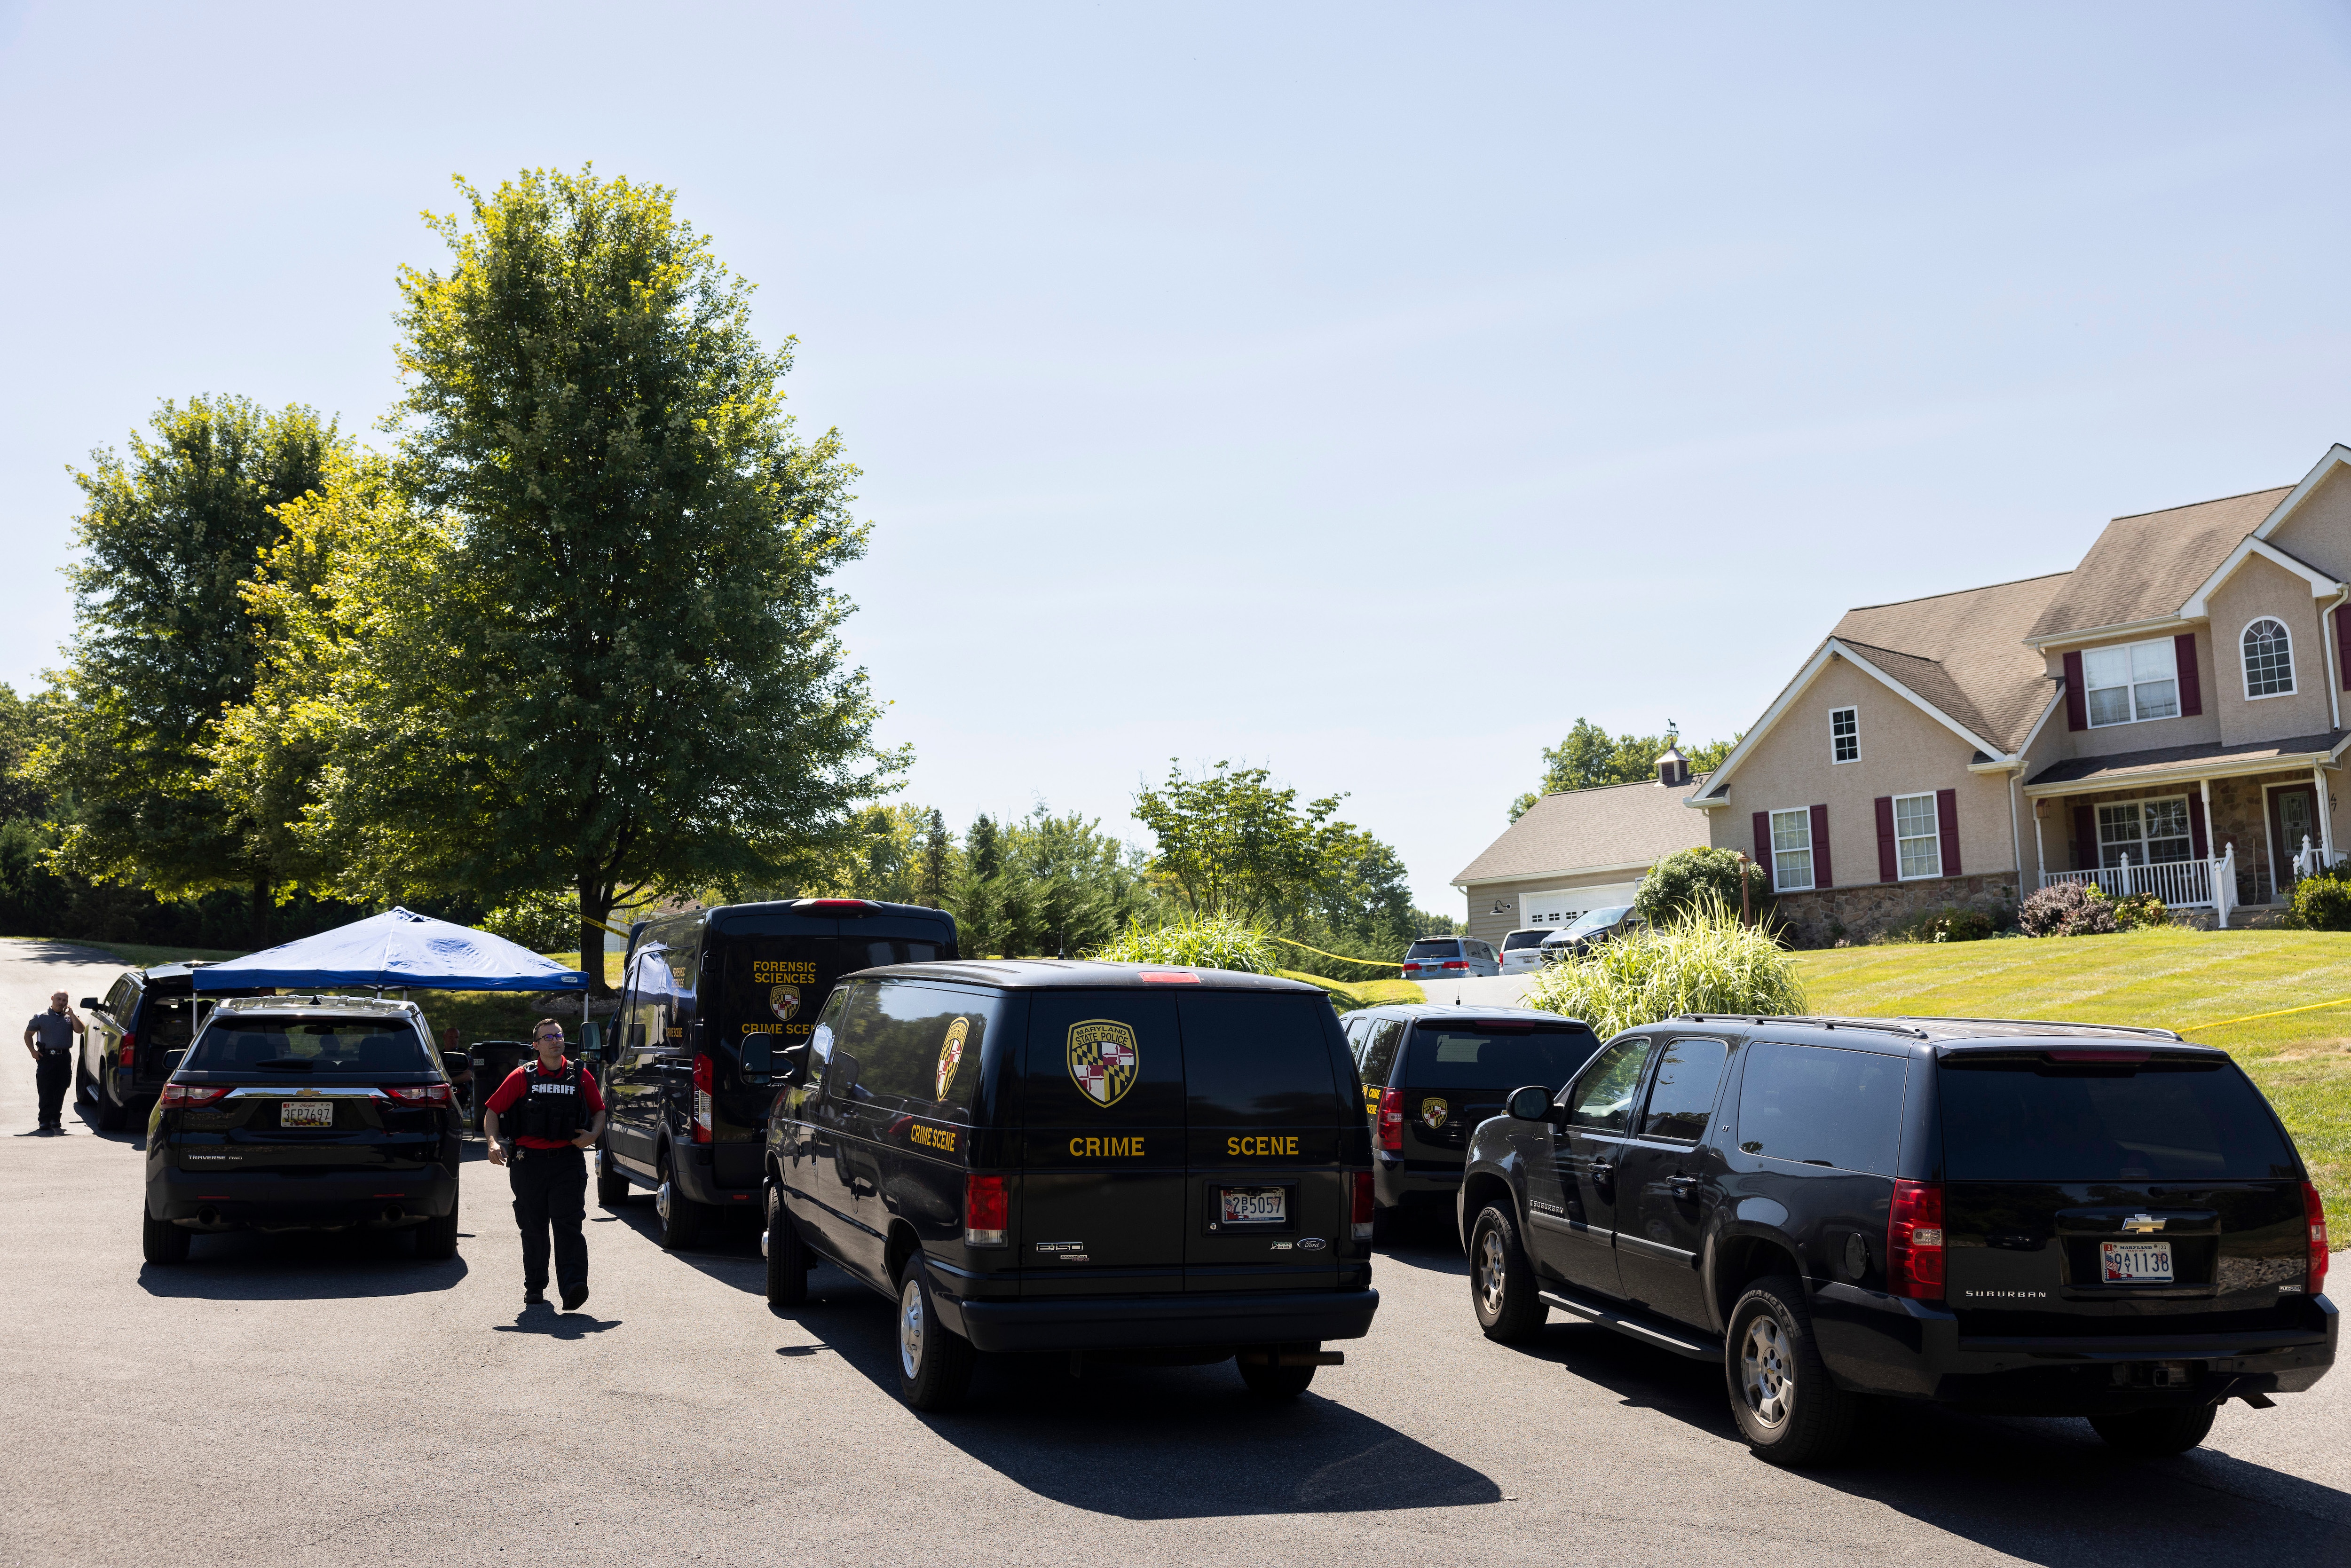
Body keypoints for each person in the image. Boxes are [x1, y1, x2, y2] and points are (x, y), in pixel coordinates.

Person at [481, 1018, 605, 1310]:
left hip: (567, 1162)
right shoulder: (522, 1077)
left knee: (568, 1225)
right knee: (534, 1228)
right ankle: (535, 1287)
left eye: (559, 1035)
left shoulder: (579, 1076)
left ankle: (574, 1286)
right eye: (547, 1037)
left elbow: (600, 1112)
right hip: (529, 1164)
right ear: (536, 1045)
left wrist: (592, 1135)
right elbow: (492, 1111)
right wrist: (492, 1142)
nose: (555, 1040)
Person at [22, 991, 87, 1134]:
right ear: (52, 999)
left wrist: (72, 1015)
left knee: (61, 1088)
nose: (61, 1002)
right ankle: (44, 1120)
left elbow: (80, 1030)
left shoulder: (71, 1017)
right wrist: (33, 1051)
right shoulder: (40, 1017)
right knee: (46, 1089)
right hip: (46, 1057)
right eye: (58, 999)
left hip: (64, 1057)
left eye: (64, 1000)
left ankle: (55, 1118)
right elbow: (28, 1035)